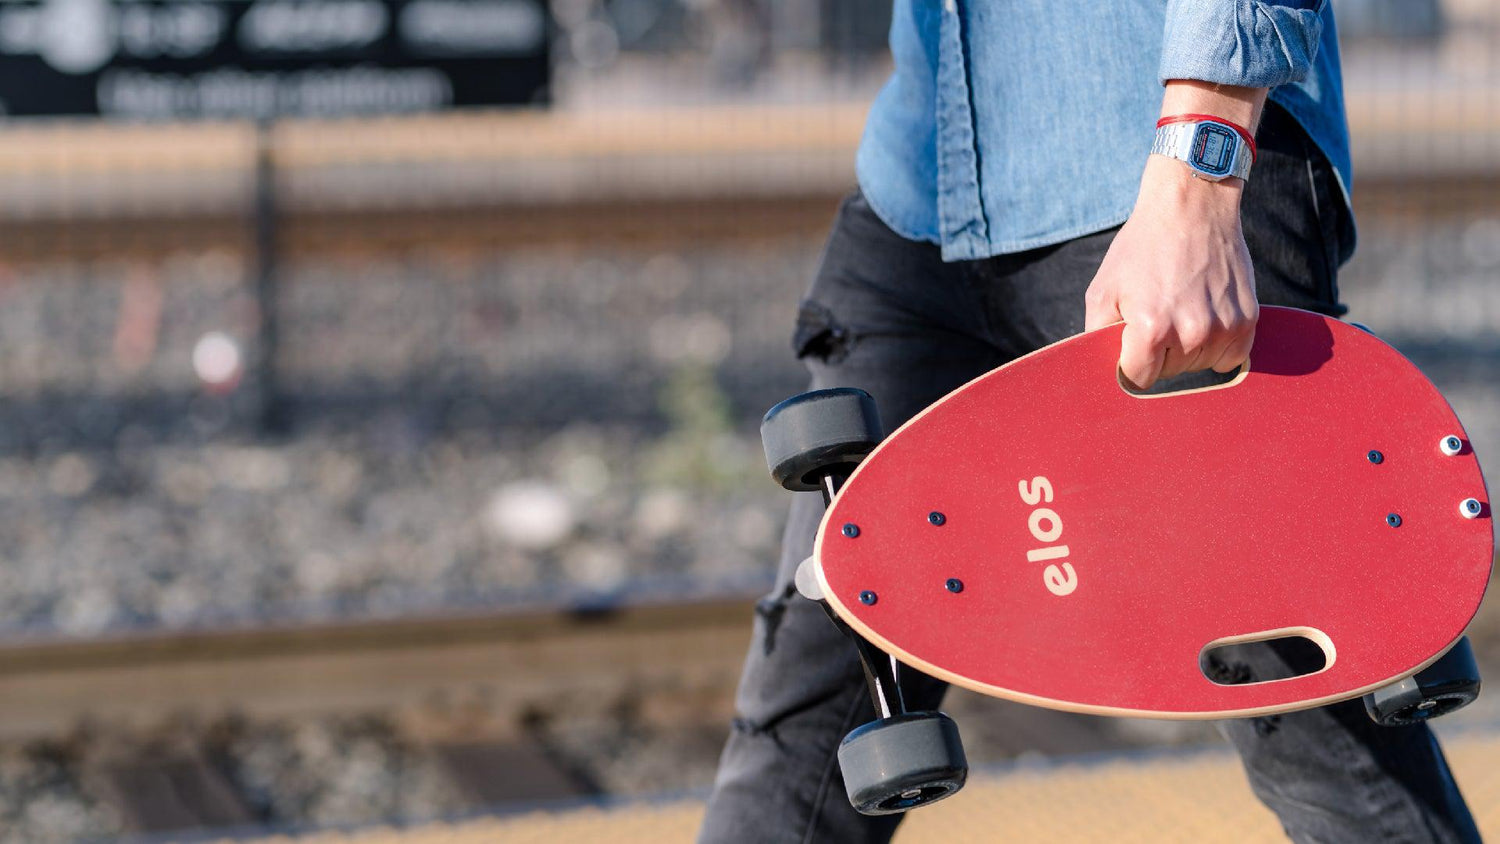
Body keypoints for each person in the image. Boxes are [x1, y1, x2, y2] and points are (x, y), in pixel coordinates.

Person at [698, 1, 1483, 842]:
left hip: (1152, 188)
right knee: (809, 715)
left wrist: (1199, 168)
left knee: (1326, 748)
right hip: (927, 187)